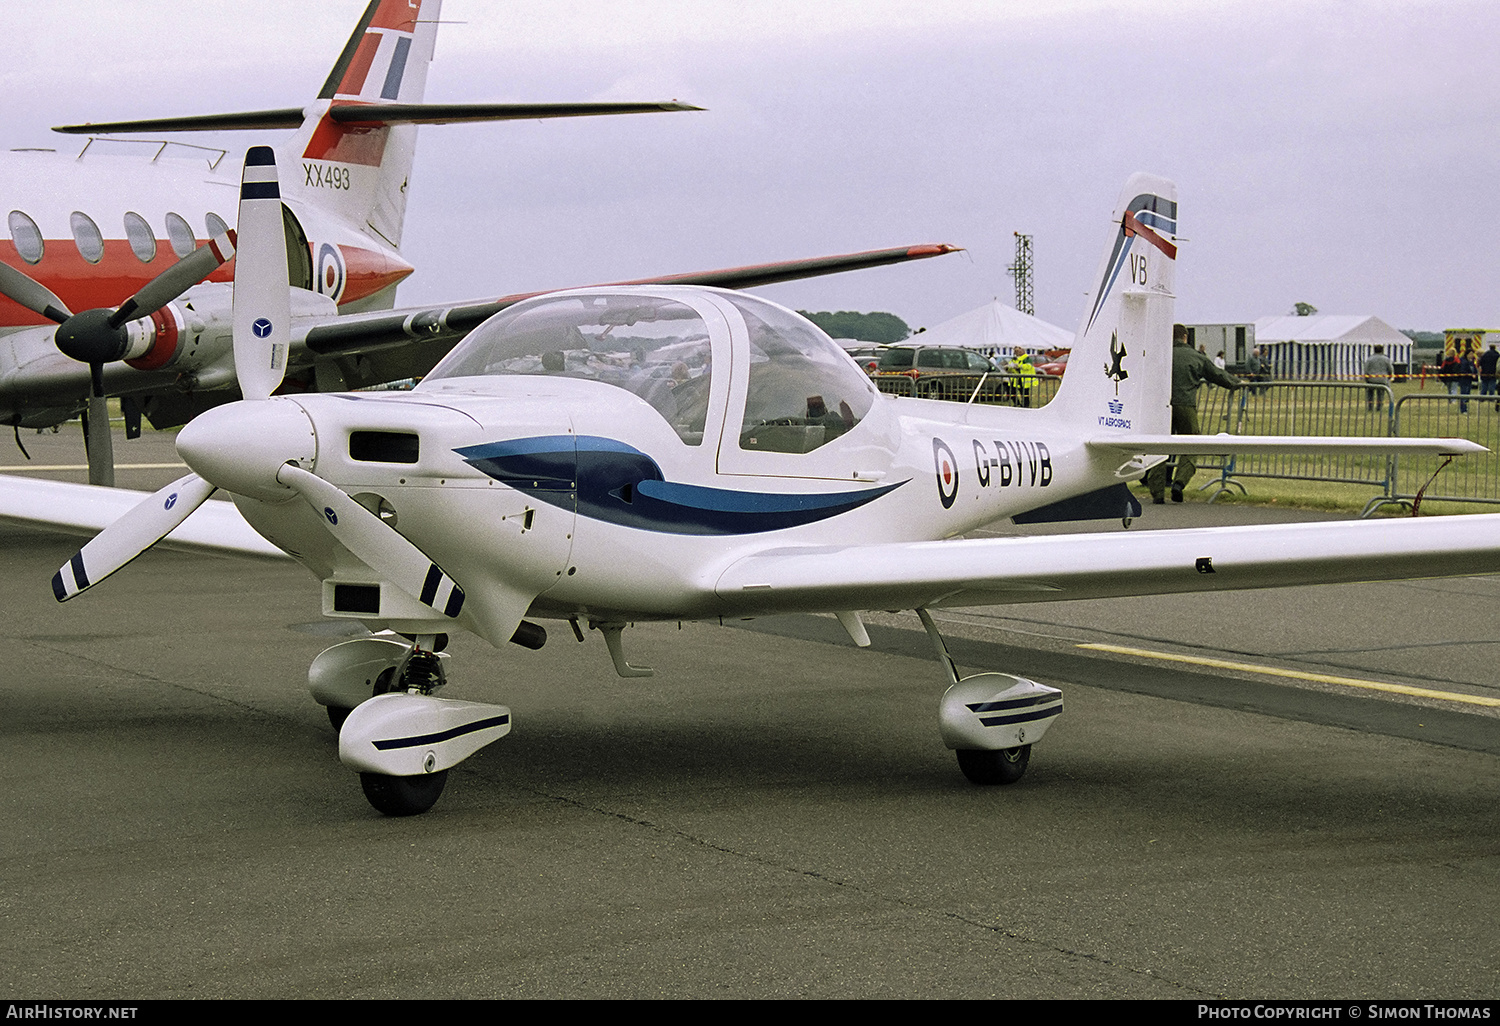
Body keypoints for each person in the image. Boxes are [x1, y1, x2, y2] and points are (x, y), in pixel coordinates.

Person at [1144, 323, 1242, 504]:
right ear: (1185, 337)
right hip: (1185, 405)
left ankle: (1157, 491)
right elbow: (1217, 375)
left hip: (1161, 408)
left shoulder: (1159, 355)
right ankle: (1179, 483)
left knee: (1159, 447)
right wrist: (1236, 382)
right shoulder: (1195, 356)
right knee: (1191, 443)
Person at [1362, 344, 1394, 411]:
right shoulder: (1386, 359)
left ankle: (1370, 407)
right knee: (1380, 395)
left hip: (1371, 380)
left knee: (1370, 394)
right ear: (1382, 350)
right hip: (1382, 380)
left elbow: (1366, 369)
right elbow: (1390, 369)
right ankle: (1379, 407)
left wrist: (1367, 378)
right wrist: (1389, 377)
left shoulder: (1370, 359)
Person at [1480, 344, 1499, 408]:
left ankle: (1482, 397)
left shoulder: (1485, 354)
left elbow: (1481, 363)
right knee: (1492, 386)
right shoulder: (1497, 355)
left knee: (1484, 386)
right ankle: (1491, 398)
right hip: (1493, 373)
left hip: (1484, 373)